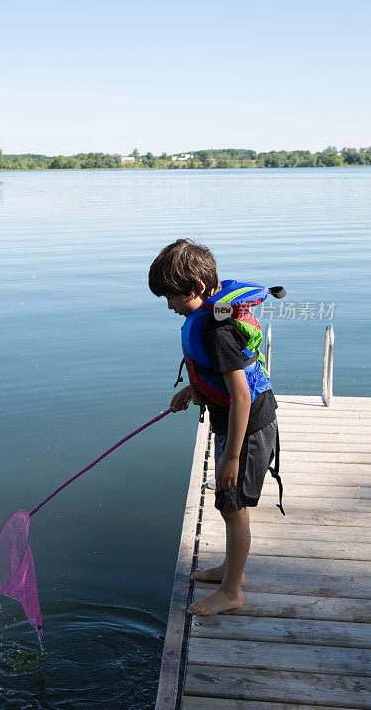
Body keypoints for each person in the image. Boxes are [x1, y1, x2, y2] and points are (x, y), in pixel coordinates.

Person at [148, 239, 281, 617]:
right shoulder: (211, 319)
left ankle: (232, 590)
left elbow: (240, 396)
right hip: (240, 420)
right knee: (228, 504)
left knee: (233, 504)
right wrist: (193, 388)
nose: (171, 306)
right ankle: (229, 569)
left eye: (174, 298)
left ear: (199, 289)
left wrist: (232, 458)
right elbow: (223, 376)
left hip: (248, 426)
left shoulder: (217, 331)